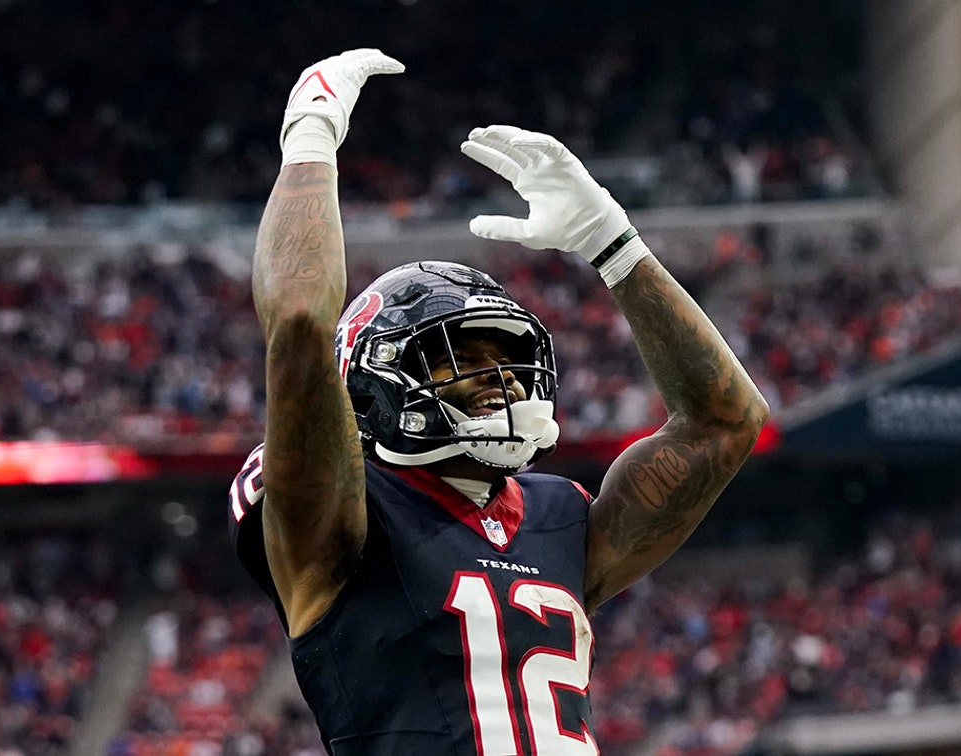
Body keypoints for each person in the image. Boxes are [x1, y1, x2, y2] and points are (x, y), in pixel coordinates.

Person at [228, 49, 770, 755]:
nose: (504, 379)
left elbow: (727, 422)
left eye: (508, 358)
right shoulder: (347, 517)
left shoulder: (560, 517)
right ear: (374, 382)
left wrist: (613, 244)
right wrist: (310, 138)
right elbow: (301, 323)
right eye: (460, 358)